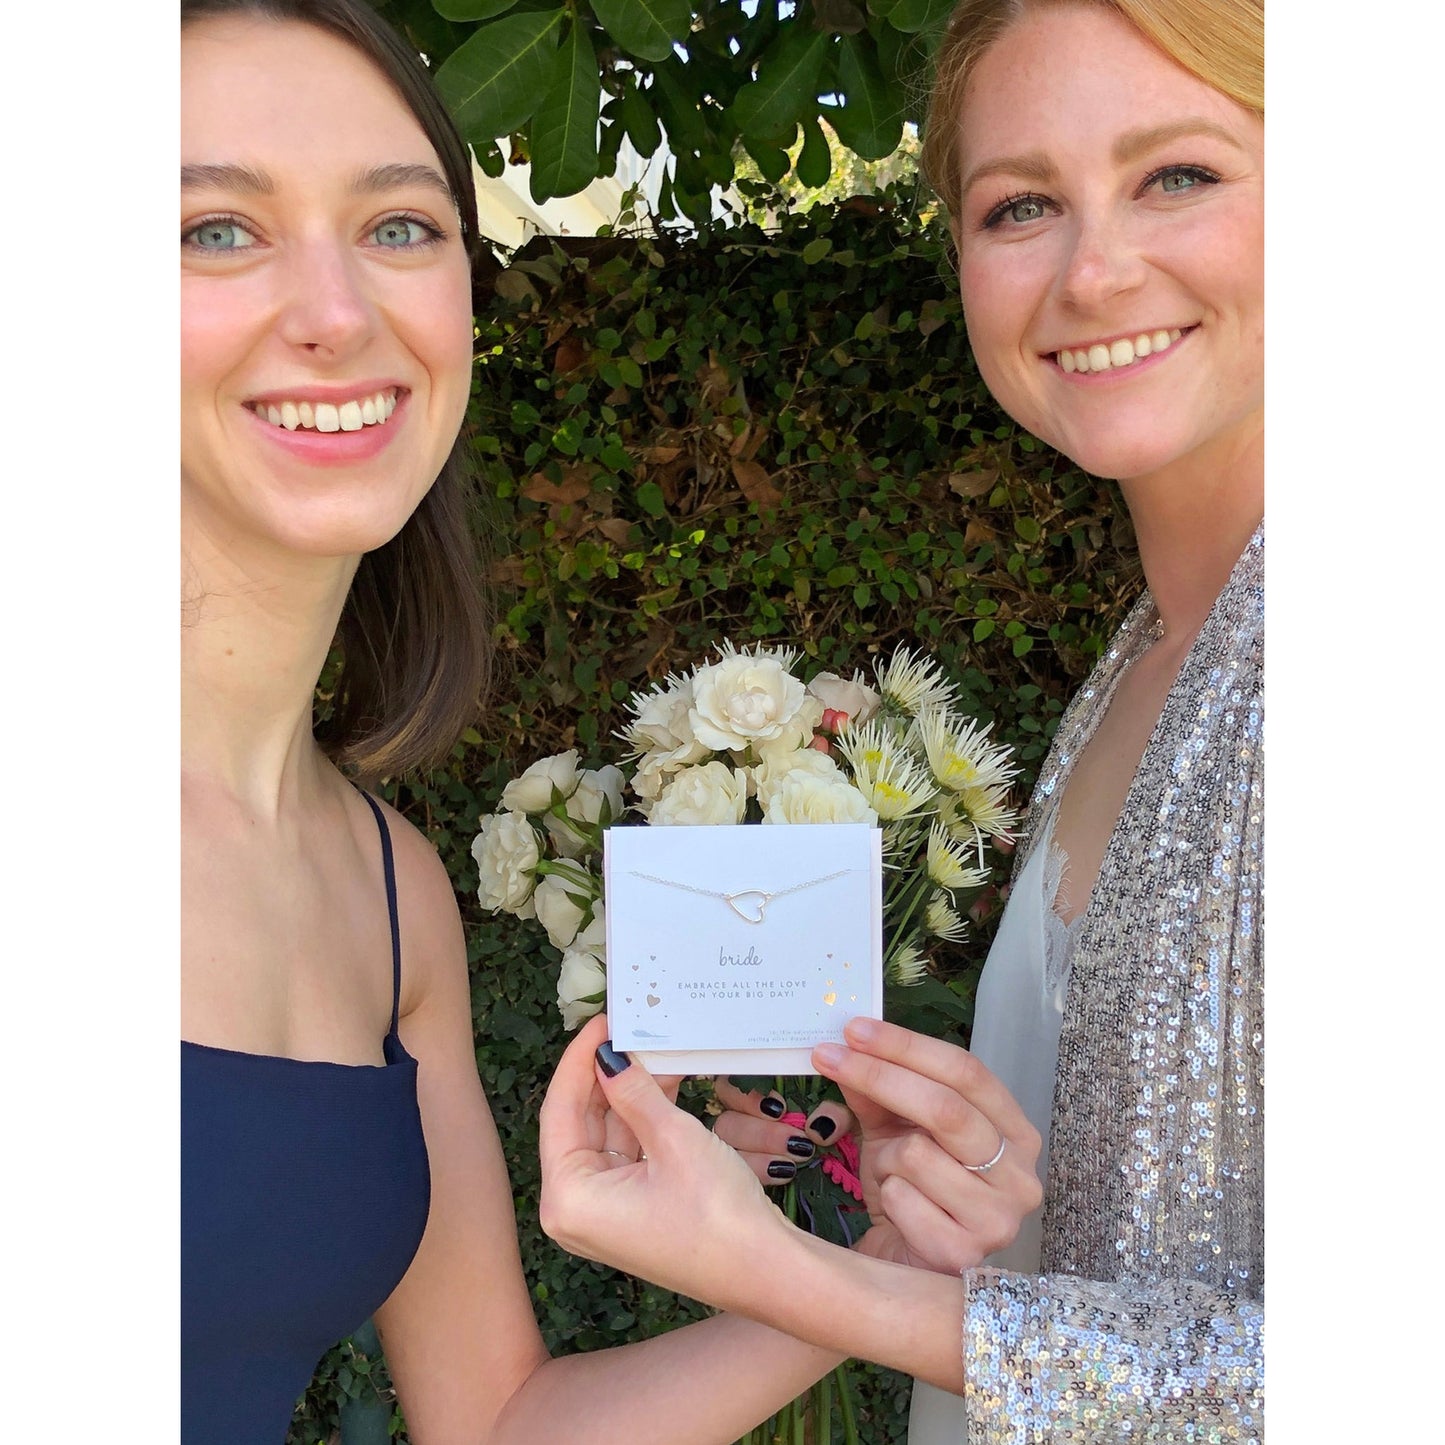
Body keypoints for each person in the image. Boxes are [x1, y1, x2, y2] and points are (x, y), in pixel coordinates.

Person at [179, 2, 1042, 1440]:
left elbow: (497, 1422)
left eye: (399, 227)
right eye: (215, 230)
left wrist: (869, 1265)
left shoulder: (390, 892)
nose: (338, 309)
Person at [539, 0, 1264, 1439]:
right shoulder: (1146, 656)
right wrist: (906, 1184)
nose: (1093, 269)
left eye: (1177, 174)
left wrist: (797, 1281)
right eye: (1018, 205)